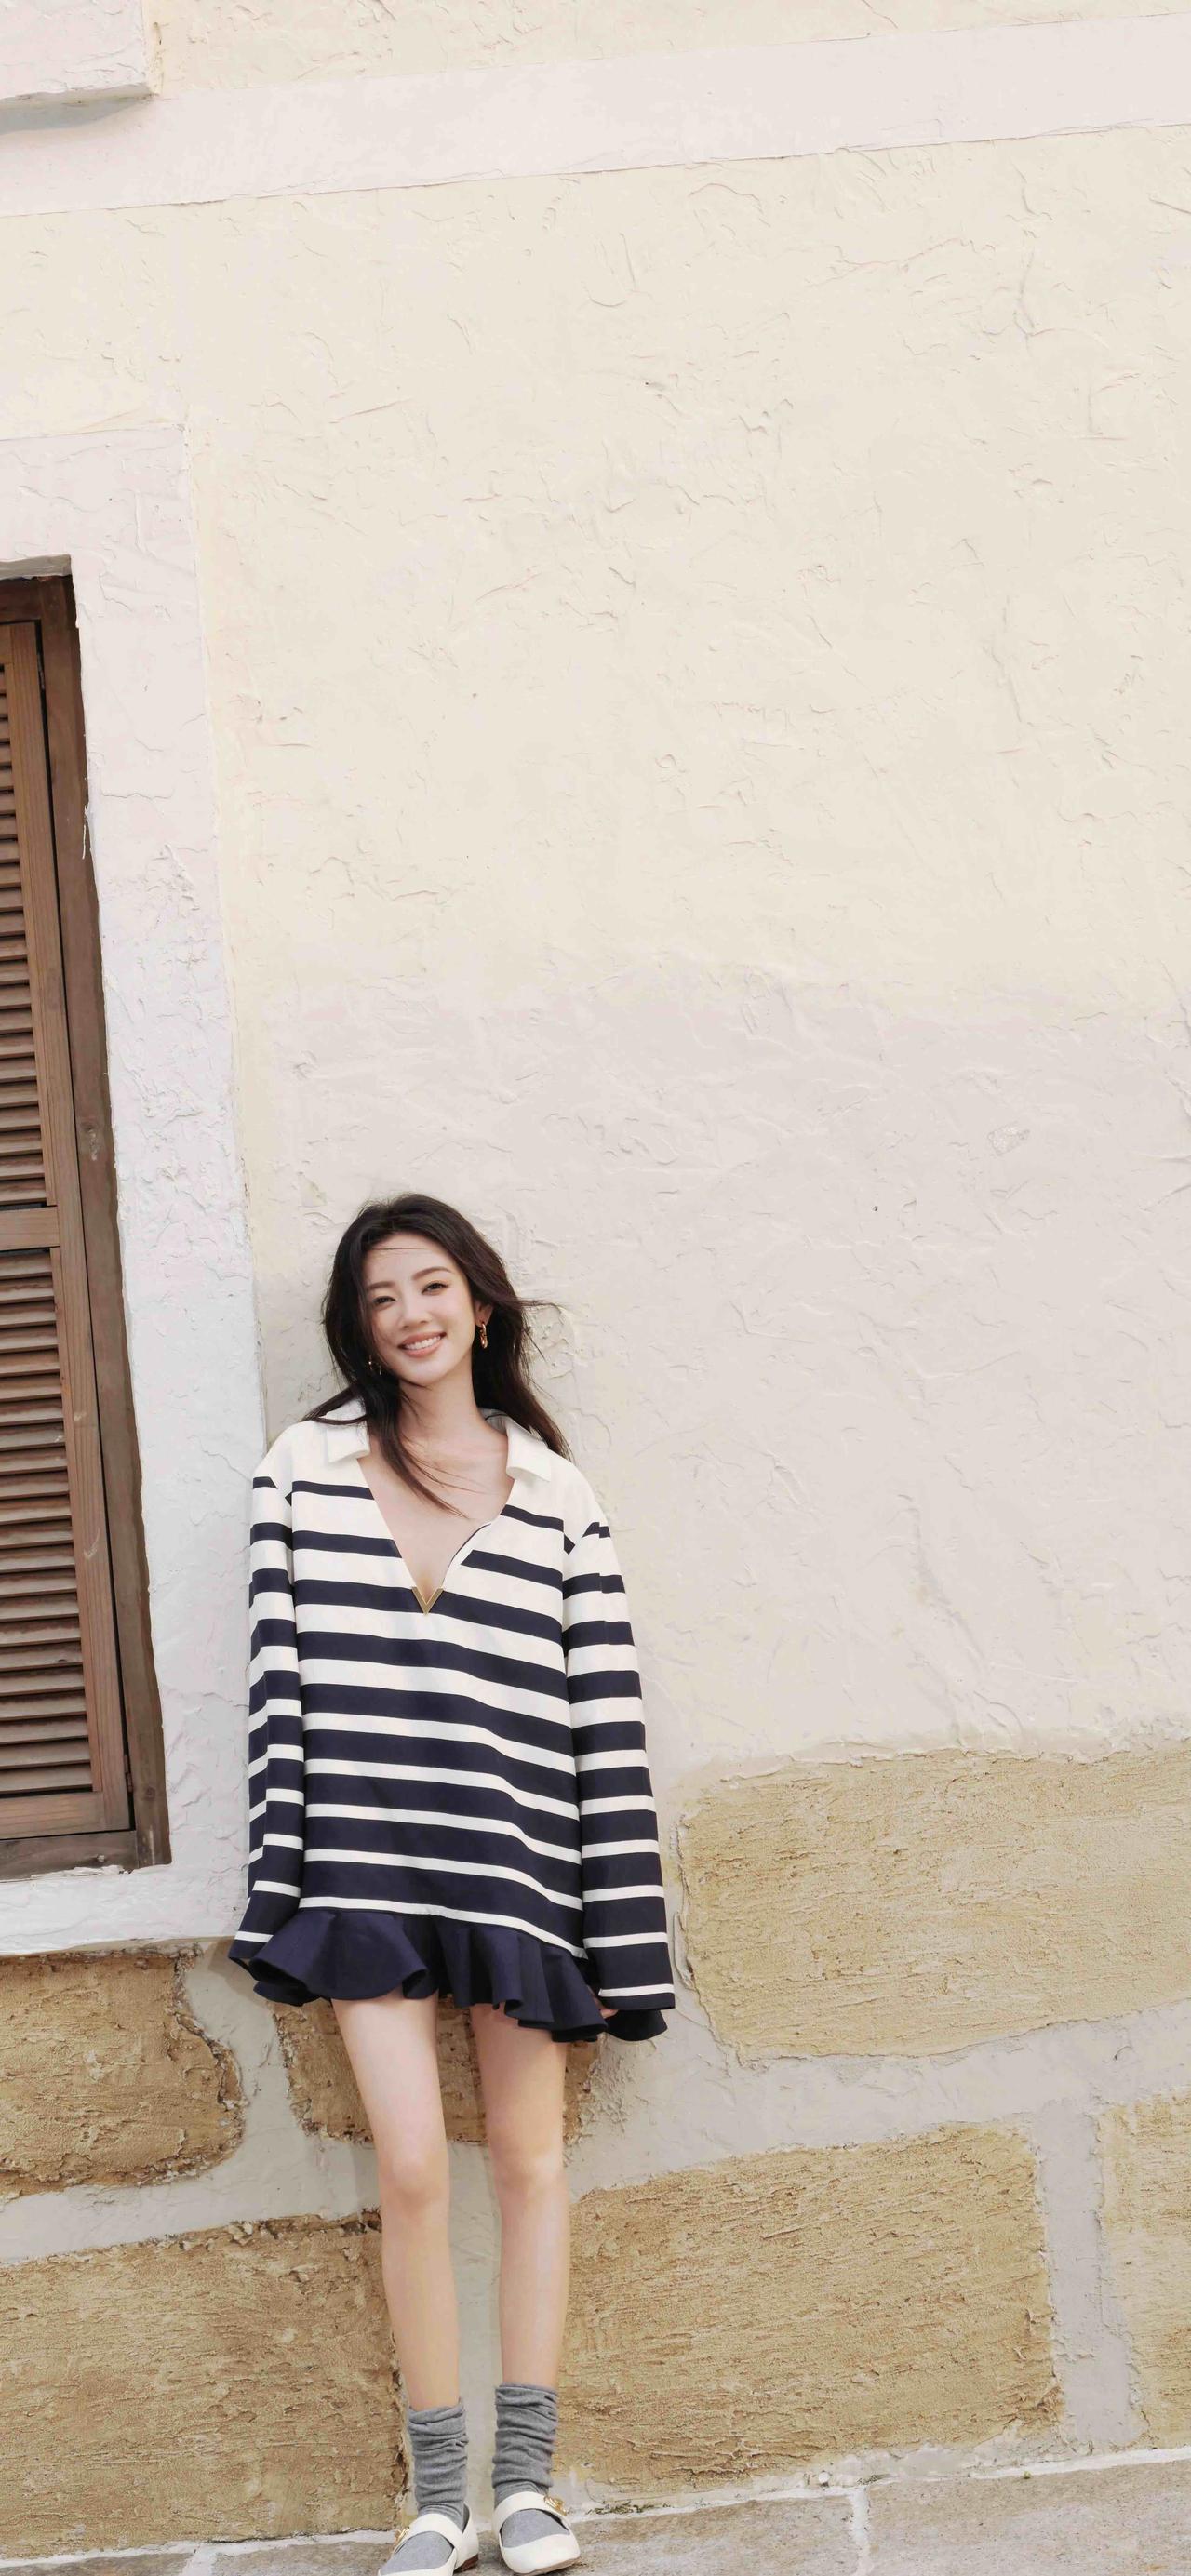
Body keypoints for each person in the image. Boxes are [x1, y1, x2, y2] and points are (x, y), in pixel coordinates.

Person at [229, 1193, 676, 2575]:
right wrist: (282, 1881)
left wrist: (623, 1935)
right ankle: (438, 2501)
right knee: (414, 2166)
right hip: (362, 1867)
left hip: (517, 1871)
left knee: (530, 2165)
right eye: (382, 1297)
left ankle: (526, 2488)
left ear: (482, 1306)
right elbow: (277, 1687)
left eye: (432, 1286)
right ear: (360, 1330)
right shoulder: (303, 1469)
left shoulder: (555, 1493)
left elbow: (603, 1723)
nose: (410, 1314)